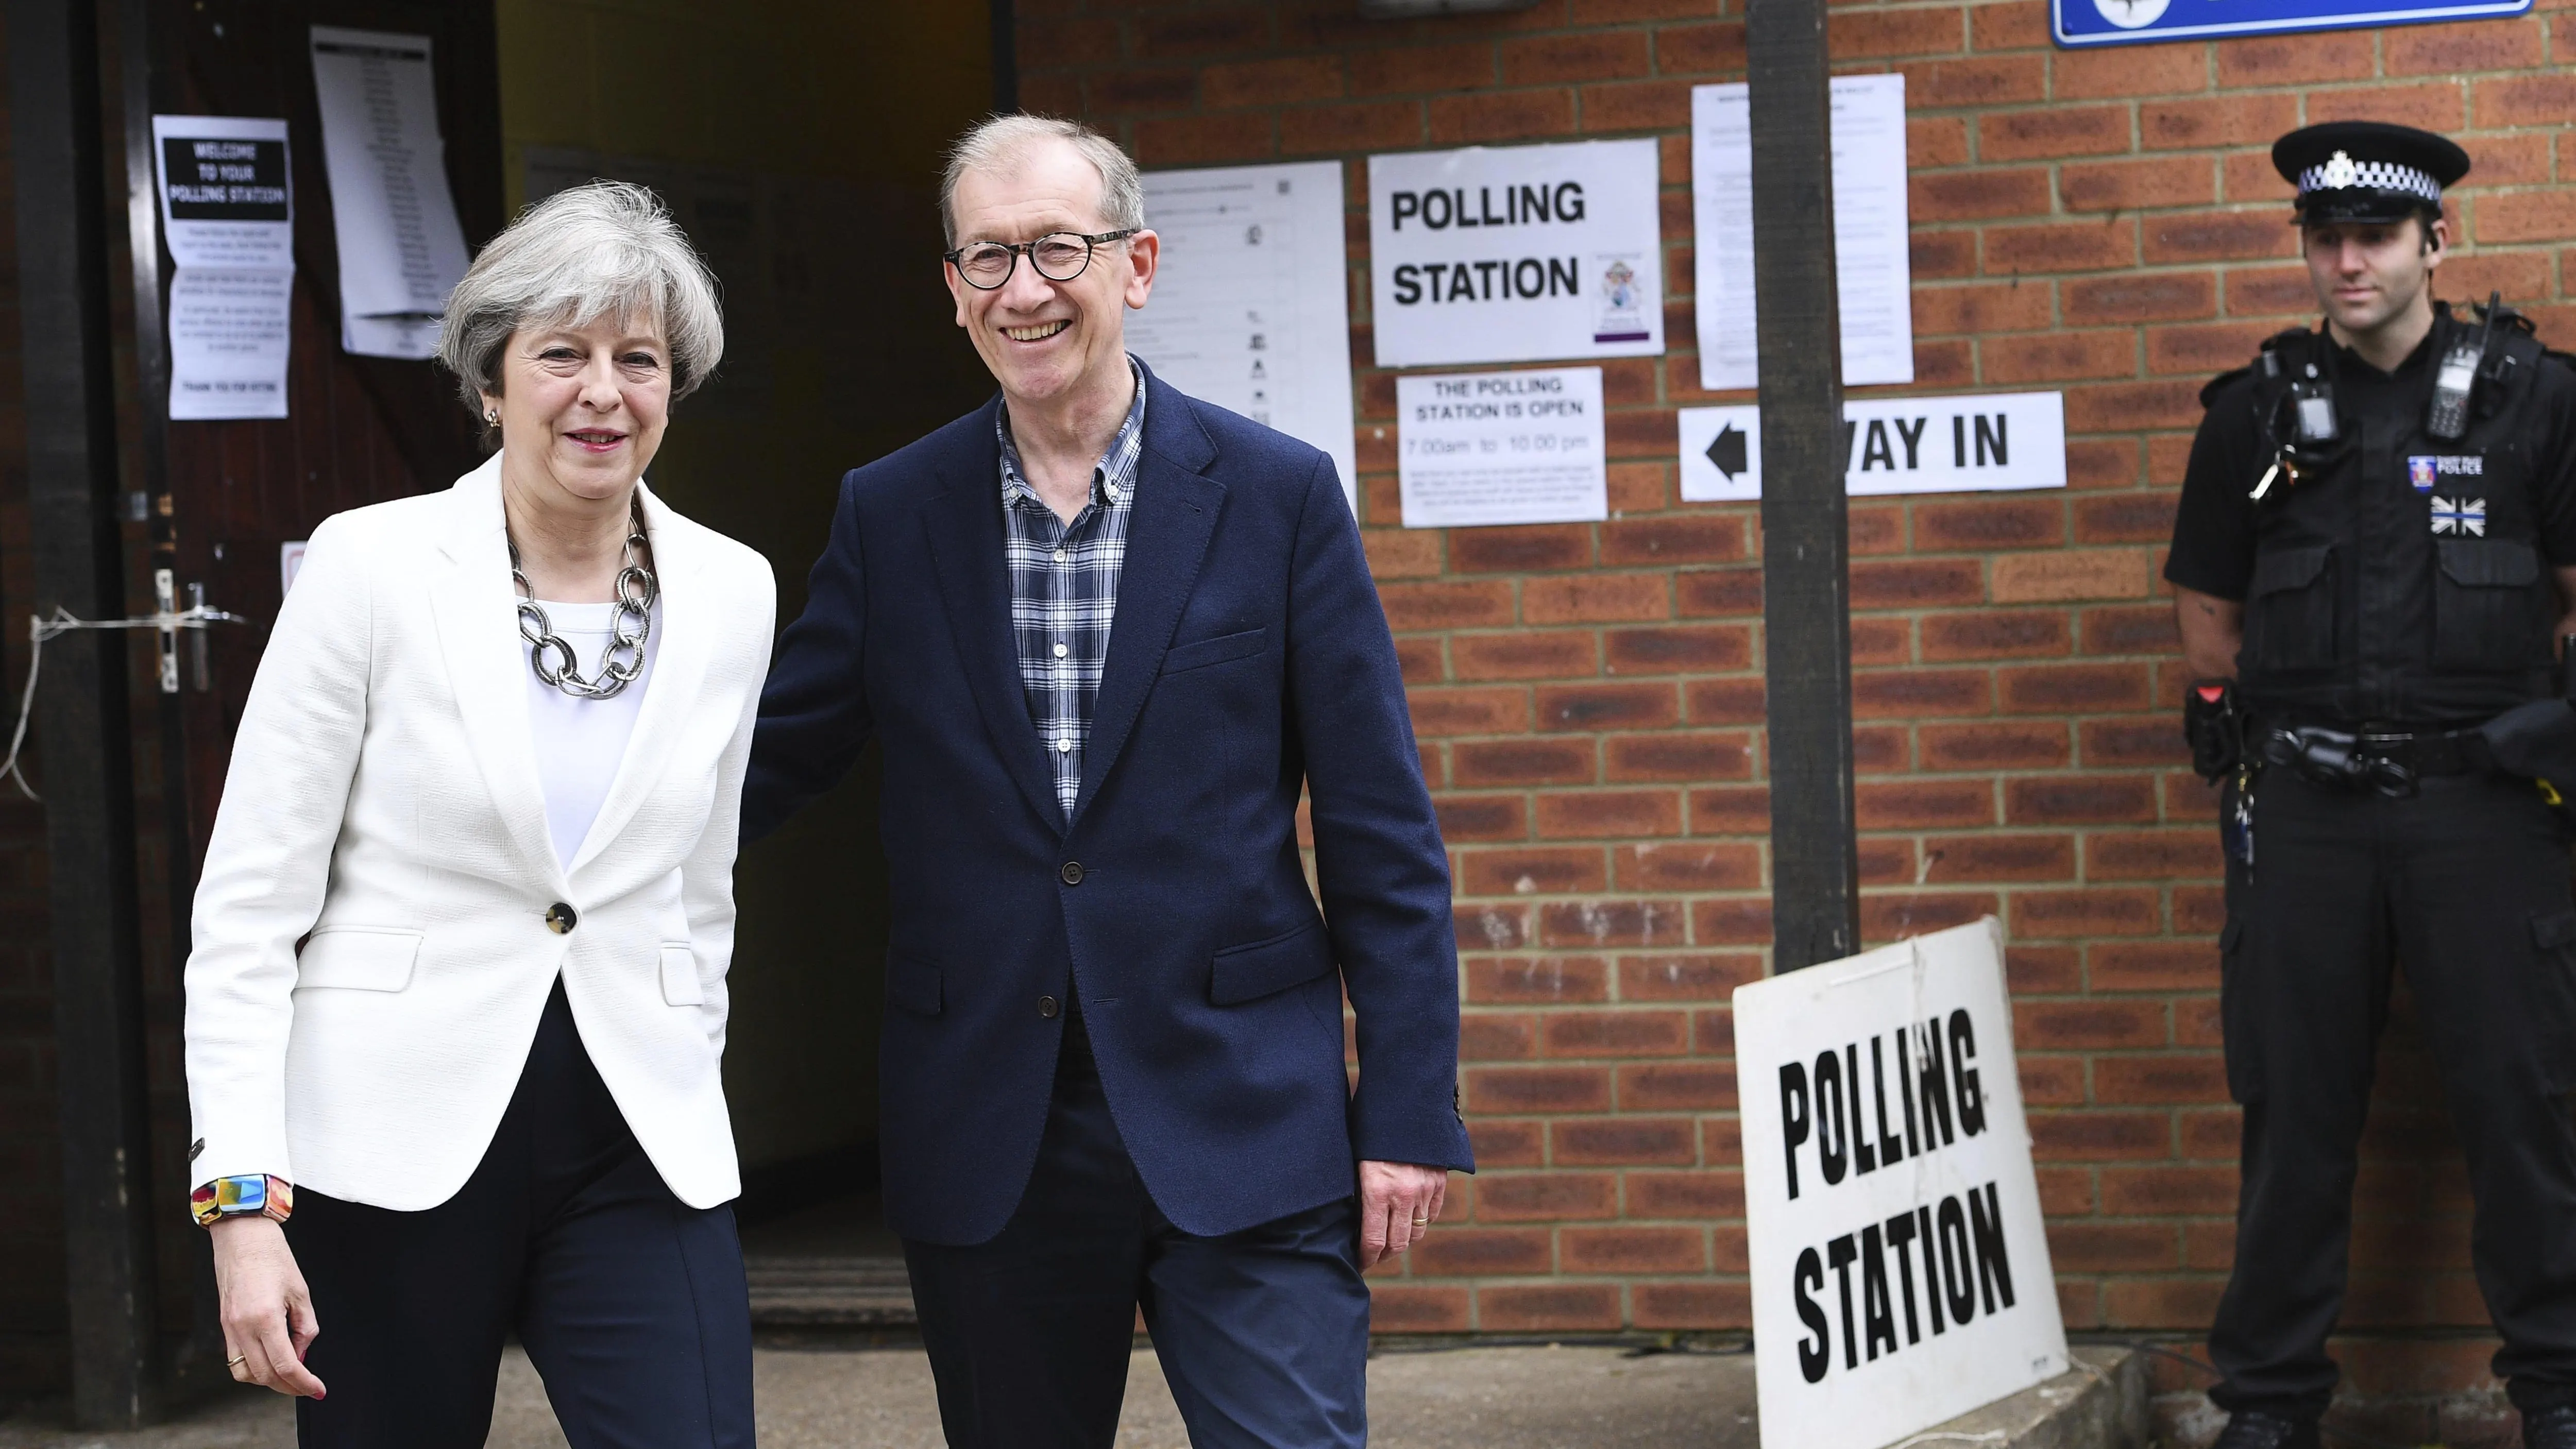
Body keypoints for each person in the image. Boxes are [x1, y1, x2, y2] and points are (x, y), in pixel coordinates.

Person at [743, 114, 1472, 1448]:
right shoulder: (889, 514)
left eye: (1058, 248)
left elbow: (1381, 831)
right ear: (953, 289)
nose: (1024, 289)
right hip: (991, 1126)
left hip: (1247, 1108)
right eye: (988, 257)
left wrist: (1411, 1108)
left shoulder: (1277, 494)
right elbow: (764, 767)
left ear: (1135, 265)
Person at [182, 181, 775, 1447]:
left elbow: (702, 884)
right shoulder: (370, 565)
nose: (602, 392)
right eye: (561, 354)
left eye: (639, 359)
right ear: (492, 382)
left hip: (635, 1142)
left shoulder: (734, 590)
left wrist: (688, 1044)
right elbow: (248, 905)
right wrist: (241, 1204)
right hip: (384, 1149)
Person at [2167, 121, 2576, 1449]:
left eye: (2376, 237)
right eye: (2324, 237)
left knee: (2526, 1107)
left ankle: (2560, 1390)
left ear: (2433, 243)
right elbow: (2209, 618)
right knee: (2293, 1114)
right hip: (2308, 818)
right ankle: (2271, 1404)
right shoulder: (2254, 411)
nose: (2347, 260)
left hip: (2488, 814)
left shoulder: (2536, 397)